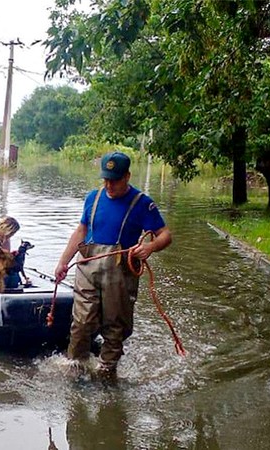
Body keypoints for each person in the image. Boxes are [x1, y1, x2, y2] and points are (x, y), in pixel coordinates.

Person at [54, 151, 172, 375]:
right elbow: (81, 231)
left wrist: (150, 247)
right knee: (81, 322)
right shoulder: (93, 198)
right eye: (106, 179)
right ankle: (75, 367)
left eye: (114, 180)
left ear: (127, 176)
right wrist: (63, 262)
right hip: (88, 268)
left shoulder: (142, 203)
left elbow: (165, 234)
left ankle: (107, 372)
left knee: (115, 326)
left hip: (120, 273)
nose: (109, 185)